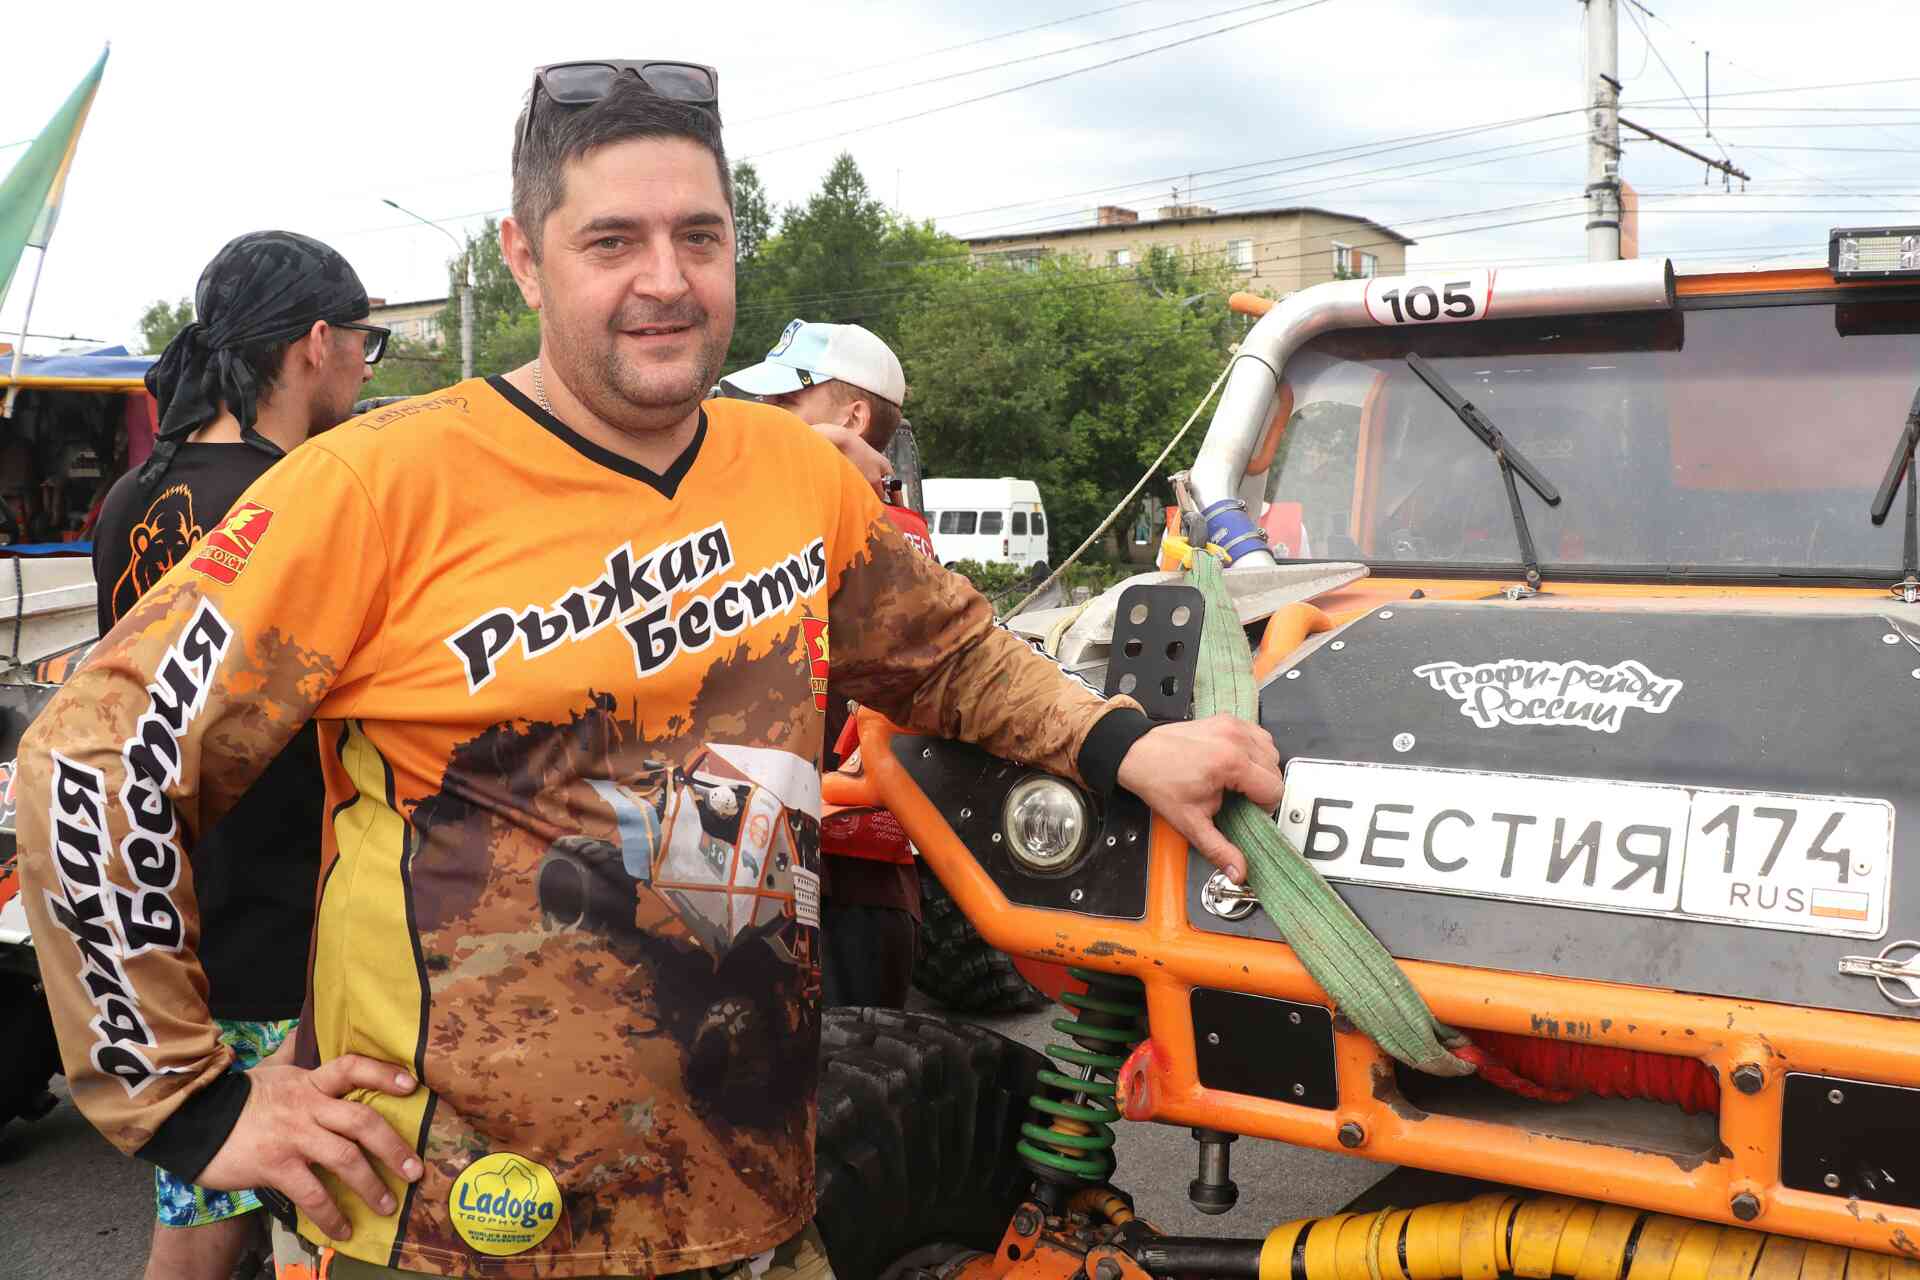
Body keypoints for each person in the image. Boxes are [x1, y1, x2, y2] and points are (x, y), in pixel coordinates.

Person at [15, 62, 1279, 1279]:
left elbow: (947, 652)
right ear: (525, 256)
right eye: (612, 240)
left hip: (753, 1203)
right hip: (451, 1223)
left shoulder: (798, 476)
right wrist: (188, 1101)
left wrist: (1124, 742)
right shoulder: (375, 484)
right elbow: (95, 757)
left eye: (700, 237)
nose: (665, 281)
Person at [83, 230, 382, 1280]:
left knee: (209, 1205)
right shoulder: (305, 499)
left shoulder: (134, 495)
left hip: (180, 907)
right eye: (367, 342)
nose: (366, 365)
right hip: (300, 920)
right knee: (317, 1222)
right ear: (316, 343)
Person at [724, 320, 926, 1008]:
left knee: (840, 1061)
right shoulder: (872, 520)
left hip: (846, 869)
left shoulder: (866, 529)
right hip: (811, 858)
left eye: (788, 402)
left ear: (853, 419)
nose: (768, 415)